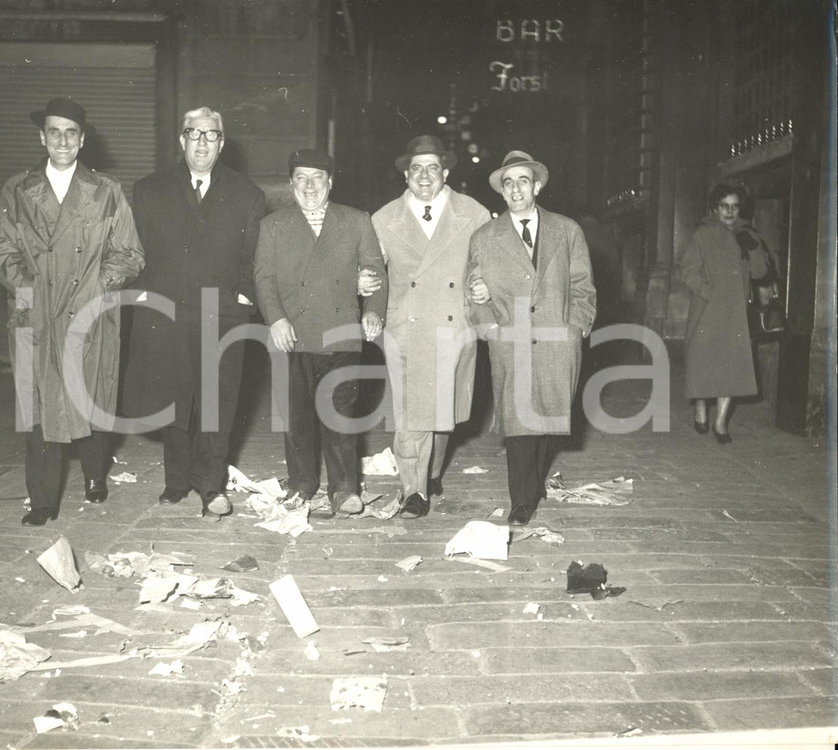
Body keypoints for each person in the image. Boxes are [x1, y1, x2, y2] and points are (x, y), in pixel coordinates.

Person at [0, 97, 144, 526]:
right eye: (54, 132)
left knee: (89, 395)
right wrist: (27, 289)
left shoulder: (106, 191)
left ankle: (95, 474)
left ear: (82, 140)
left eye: (70, 133)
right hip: (36, 312)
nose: (62, 140)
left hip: (89, 309)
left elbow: (129, 253)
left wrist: (99, 285)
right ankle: (42, 500)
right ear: (42, 138)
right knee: (39, 404)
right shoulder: (18, 190)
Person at [122, 106, 266, 516]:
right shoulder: (149, 190)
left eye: (211, 135)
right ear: (181, 139)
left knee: (216, 401)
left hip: (222, 313)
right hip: (166, 312)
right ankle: (176, 480)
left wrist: (244, 298)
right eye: (194, 133)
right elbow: (136, 251)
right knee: (174, 398)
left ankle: (211, 485)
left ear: (222, 143)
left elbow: (252, 256)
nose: (202, 143)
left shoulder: (247, 194)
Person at [254, 149, 387, 517]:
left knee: (339, 413)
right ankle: (302, 482)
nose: (309, 186)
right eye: (301, 178)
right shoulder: (273, 225)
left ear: (331, 182)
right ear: (291, 183)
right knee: (295, 416)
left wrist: (373, 310)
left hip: (340, 331)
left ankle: (344, 489)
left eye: (317, 178)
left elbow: (375, 270)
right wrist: (276, 319)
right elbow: (263, 278)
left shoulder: (356, 220)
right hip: (291, 333)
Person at [467, 150, 595, 526]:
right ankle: (522, 500)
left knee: (552, 419)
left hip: (559, 338)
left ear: (536, 186)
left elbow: (583, 285)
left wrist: (577, 327)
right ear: (502, 191)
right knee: (519, 422)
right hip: (511, 339)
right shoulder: (485, 237)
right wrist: (489, 327)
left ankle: (536, 480)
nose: (515, 189)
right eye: (508, 183)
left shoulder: (567, 230)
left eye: (523, 181)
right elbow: (472, 289)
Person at [369, 135, 491, 519]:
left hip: (454, 324)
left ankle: (432, 471)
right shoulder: (384, 218)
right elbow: (373, 270)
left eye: (432, 168)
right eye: (416, 169)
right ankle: (413, 490)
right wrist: (364, 286)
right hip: (406, 325)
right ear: (406, 175)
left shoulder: (474, 213)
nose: (424, 176)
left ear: (446, 173)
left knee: (442, 412)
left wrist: (483, 287)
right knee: (413, 411)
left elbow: (485, 264)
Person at [680, 183, 771, 444]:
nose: (730, 212)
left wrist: (753, 247)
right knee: (704, 362)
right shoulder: (703, 234)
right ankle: (700, 407)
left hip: (735, 313)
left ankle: (720, 422)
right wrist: (707, 293)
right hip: (707, 311)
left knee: (731, 366)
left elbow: (761, 273)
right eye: (724, 206)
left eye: (735, 206)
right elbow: (688, 271)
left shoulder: (747, 233)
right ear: (715, 208)